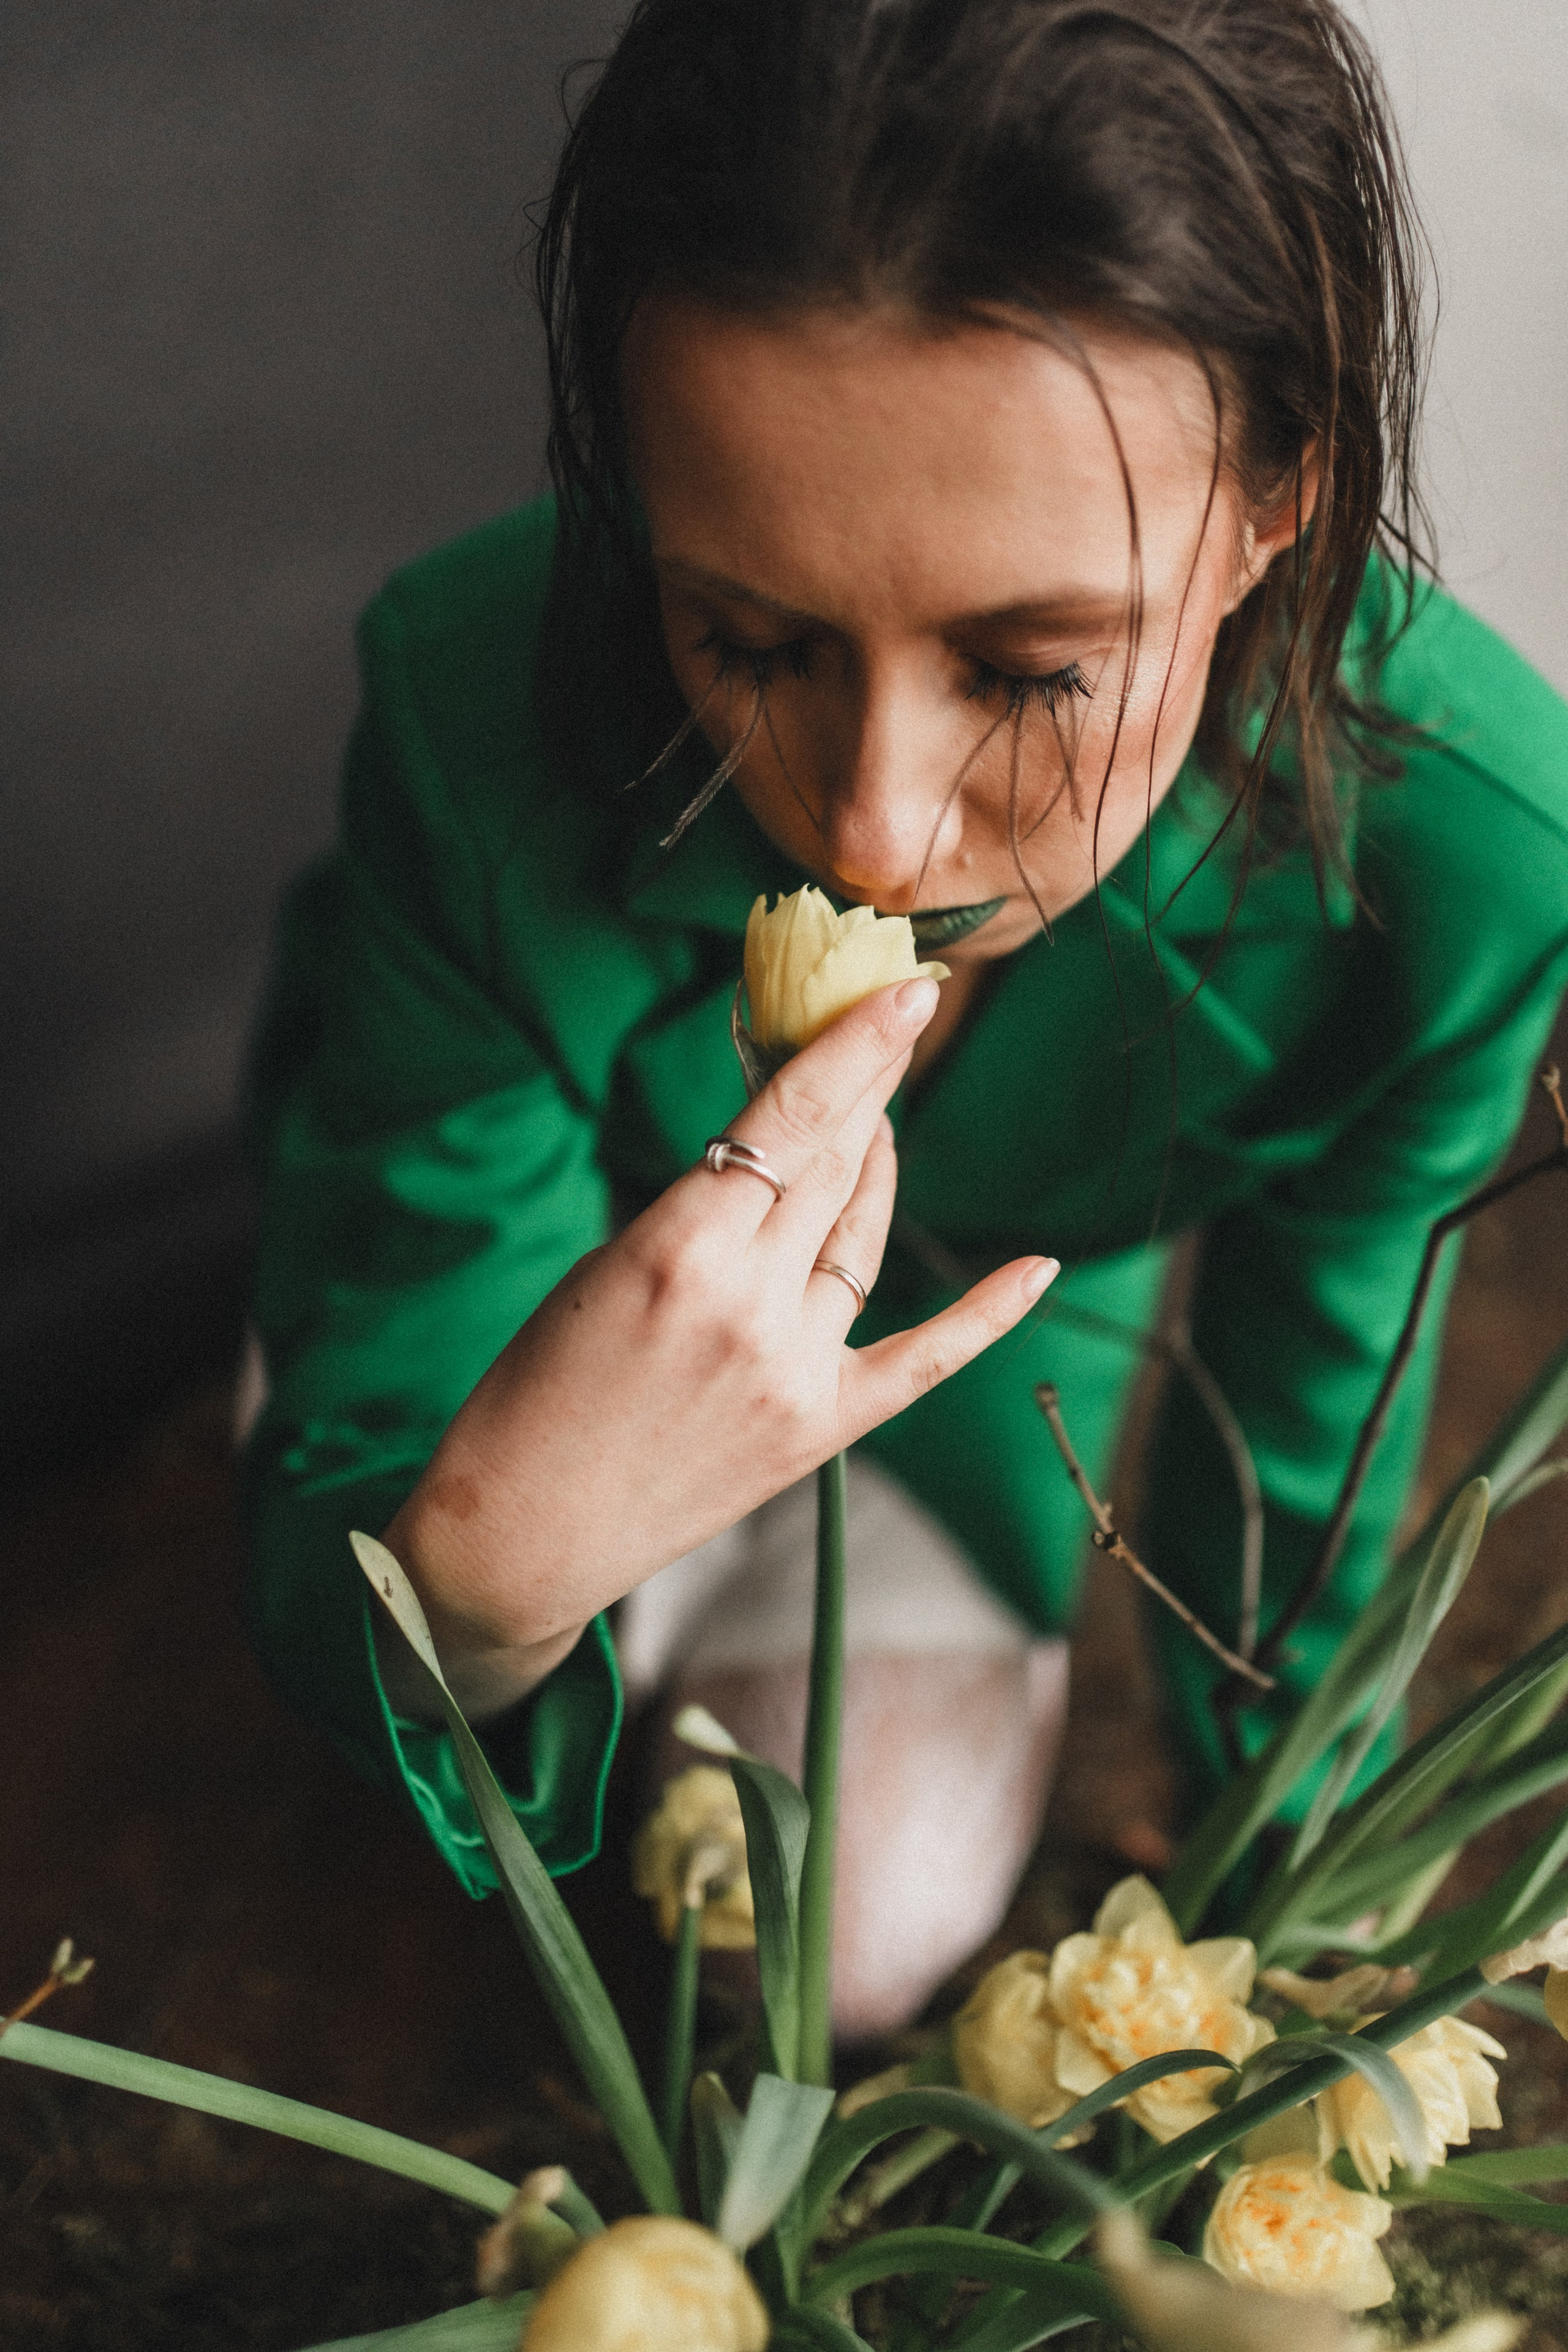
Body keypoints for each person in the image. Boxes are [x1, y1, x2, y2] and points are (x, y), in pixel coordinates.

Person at [240, 0, 1568, 2038]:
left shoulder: (1468, 868)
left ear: (1286, 491)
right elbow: (389, 1504)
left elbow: (1311, 1430)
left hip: (961, 1395)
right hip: (500, 1293)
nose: (873, 825)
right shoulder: (464, 708)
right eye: (749, 638)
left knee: (834, 1948)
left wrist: (1284, 1913)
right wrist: (494, 1572)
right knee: (380, 1638)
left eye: (1033, 671)